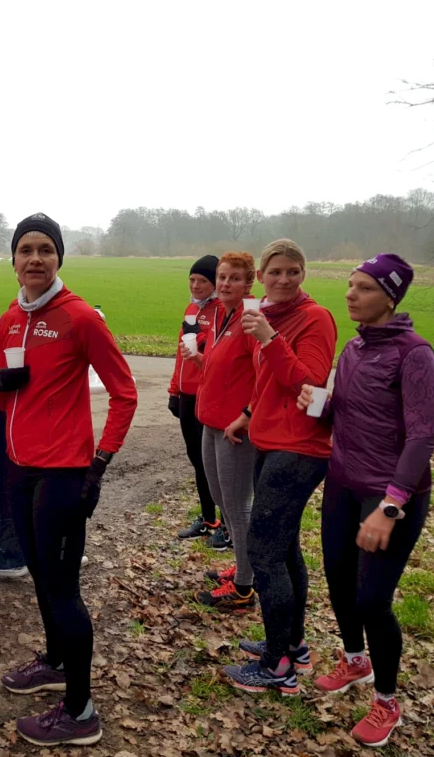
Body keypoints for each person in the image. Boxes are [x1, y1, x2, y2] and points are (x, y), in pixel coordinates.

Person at [0, 213, 138, 747]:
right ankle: (53, 661)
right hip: (19, 468)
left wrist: (100, 464)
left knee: (63, 587)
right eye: (25, 249)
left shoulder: (80, 318)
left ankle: (80, 711)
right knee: (39, 575)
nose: (34, 258)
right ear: (13, 259)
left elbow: (125, 393)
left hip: (65, 473)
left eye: (45, 250)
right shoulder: (9, 319)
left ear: (58, 259)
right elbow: (4, 398)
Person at [298, 255, 434, 748]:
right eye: (350, 285)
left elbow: (422, 439)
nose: (349, 294)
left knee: (372, 600)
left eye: (362, 287)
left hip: (389, 495)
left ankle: (386, 701)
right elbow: (343, 412)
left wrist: (390, 505)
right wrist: (319, 404)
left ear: (390, 297)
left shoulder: (414, 354)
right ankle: (354, 660)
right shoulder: (354, 349)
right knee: (338, 579)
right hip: (342, 483)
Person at [224, 239, 337, 696]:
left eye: (293, 271)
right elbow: (267, 380)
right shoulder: (265, 315)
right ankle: (293, 644)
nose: (284, 279)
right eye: (276, 272)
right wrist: (249, 413)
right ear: (263, 277)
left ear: (303, 274)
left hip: (300, 448)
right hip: (269, 441)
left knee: (265, 553)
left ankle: (277, 667)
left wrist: (269, 339)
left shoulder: (315, 319)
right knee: (285, 549)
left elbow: (308, 382)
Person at [183, 251, 259, 612]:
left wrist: (246, 414)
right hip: (210, 421)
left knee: (237, 504)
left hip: (234, 429)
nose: (227, 283)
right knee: (218, 494)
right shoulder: (222, 317)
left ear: (250, 282)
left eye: (235, 278)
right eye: (223, 277)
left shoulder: (250, 321)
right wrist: (201, 361)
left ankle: (244, 586)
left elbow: (265, 375)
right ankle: (244, 567)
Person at [172, 255, 227, 548]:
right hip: (186, 394)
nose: (195, 285)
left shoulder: (221, 310)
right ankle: (208, 520)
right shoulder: (192, 308)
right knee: (196, 460)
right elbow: (181, 353)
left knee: (214, 464)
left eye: (202, 281)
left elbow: (218, 355)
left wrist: (202, 338)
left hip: (206, 394)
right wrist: (173, 389)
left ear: (214, 283)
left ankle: (226, 524)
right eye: (192, 280)